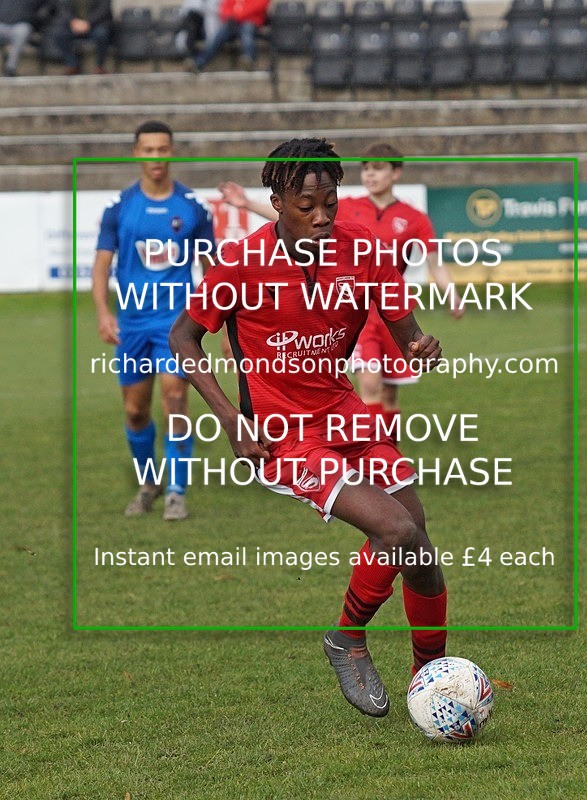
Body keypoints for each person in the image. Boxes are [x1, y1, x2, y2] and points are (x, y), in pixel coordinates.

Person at [169, 138, 448, 717]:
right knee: (395, 530)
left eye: (330, 203)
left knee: (419, 545)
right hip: (281, 433)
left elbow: (406, 334)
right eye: (306, 205)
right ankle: (346, 637)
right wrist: (230, 418)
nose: (321, 217)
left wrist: (419, 348)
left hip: (345, 412)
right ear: (276, 201)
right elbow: (183, 338)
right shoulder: (241, 263)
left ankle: (433, 679)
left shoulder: (366, 250)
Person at [219, 141, 463, 438]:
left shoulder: (414, 219)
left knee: (388, 393)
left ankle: (385, 450)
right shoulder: (346, 207)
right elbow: (295, 219)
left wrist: (452, 295)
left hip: (392, 314)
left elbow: (434, 263)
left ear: (396, 173)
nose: (370, 175)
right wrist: (247, 205)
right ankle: (372, 449)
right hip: (356, 311)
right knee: (370, 384)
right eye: (365, 168)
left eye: (378, 168)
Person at [92, 120, 216, 521]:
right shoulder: (120, 207)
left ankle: (177, 491)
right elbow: (100, 267)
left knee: (176, 399)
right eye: (148, 150)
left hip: (175, 324)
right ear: (137, 153)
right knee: (134, 412)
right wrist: (104, 313)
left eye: (163, 149)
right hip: (132, 324)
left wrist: (220, 320)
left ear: (171, 151)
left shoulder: (193, 207)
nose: (156, 157)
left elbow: (211, 267)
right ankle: (150, 483)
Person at [185, 0, 269, 72]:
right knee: (218, 37)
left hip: (251, 21)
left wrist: (236, 16)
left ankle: (249, 60)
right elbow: (225, 8)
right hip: (234, 23)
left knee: (247, 33)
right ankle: (198, 63)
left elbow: (258, 6)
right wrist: (229, 17)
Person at [53, 0, 113, 75]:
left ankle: (99, 66)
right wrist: (73, 21)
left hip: (95, 25)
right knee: (58, 34)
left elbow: (104, 10)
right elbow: (63, 9)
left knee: (102, 34)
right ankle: (72, 64)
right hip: (74, 25)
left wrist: (88, 23)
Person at [0, 0, 54, 77]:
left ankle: (10, 68)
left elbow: (49, 7)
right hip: (2, 25)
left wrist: (37, 21)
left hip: (22, 26)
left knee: (23, 30)